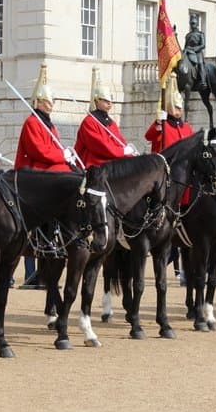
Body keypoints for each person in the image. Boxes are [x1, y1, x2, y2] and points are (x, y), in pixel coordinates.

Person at [15, 63, 73, 289]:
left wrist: (65, 155)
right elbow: (40, 151)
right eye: (48, 101)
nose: (51, 105)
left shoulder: (48, 123)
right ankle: (32, 273)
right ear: (38, 102)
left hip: (47, 171)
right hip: (34, 175)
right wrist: (62, 155)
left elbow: (53, 147)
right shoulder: (32, 122)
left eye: (52, 102)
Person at [145, 72, 194, 286]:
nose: (179, 110)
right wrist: (158, 123)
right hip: (166, 173)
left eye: (180, 107)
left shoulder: (186, 127)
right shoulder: (163, 124)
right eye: (175, 107)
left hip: (184, 177)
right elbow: (151, 137)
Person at [74, 70, 135, 168]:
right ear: (97, 101)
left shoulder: (111, 123)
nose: (109, 103)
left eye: (110, 101)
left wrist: (128, 152)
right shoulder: (89, 122)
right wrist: (122, 151)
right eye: (106, 101)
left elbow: (119, 141)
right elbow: (100, 146)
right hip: (94, 163)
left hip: (112, 159)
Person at [183, 13, 207, 90]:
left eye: (194, 23)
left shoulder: (200, 34)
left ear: (197, 23)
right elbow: (185, 46)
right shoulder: (188, 35)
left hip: (197, 53)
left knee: (200, 63)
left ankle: (203, 81)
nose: (192, 24)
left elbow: (203, 45)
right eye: (191, 23)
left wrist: (194, 49)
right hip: (188, 53)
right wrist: (185, 50)